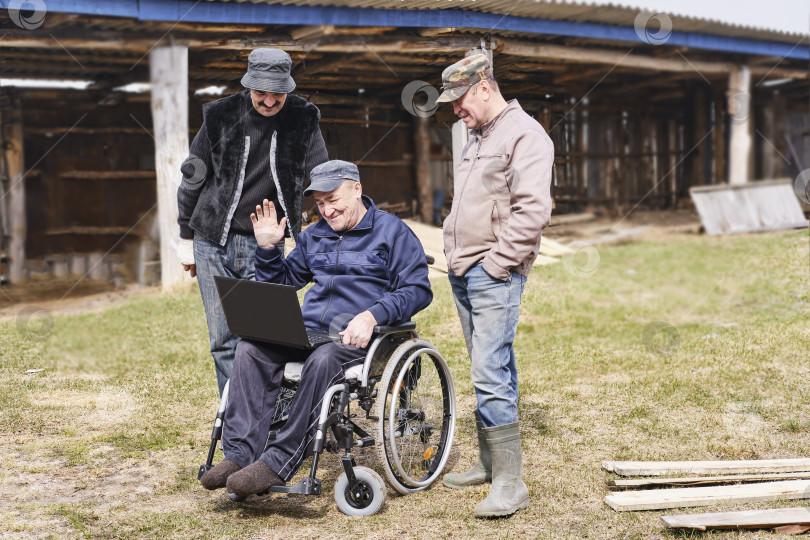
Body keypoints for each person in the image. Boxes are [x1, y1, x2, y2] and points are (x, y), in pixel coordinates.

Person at [199, 160, 432, 499]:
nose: (326, 210)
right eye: (320, 203)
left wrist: (372, 315)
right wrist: (267, 250)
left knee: (324, 360)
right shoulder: (314, 236)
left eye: (333, 199)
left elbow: (417, 289)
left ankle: (278, 461)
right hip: (308, 333)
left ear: (357, 189)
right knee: (250, 348)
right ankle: (239, 456)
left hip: (361, 338)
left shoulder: (392, 232)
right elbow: (280, 285)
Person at [436, 54, 553, 518]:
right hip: (464, 272)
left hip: (492, 273)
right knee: (492, 365)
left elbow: (533, 211)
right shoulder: (477, 137)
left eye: (460, 100)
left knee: (488, 370)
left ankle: (511, 482)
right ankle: (489, 462)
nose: (456, 110)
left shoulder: (524, 134)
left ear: (484, 87)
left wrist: (498, 265)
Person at [177, 48, 328, 396]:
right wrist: (186, 238)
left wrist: (342, 216)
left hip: (265, 244)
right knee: (223, 340)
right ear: (248, 85)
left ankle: (273, 418)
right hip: (212, 241)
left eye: (278, 92)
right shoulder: (220, 115)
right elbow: (193, 176)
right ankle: (236, 423)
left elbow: (320, 174)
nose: (270, 100)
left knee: (269, 337)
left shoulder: (304, 117)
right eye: (262, 92)